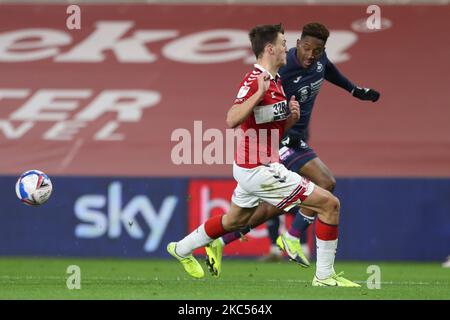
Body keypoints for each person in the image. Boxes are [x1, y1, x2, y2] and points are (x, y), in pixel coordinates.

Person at [167, 23, 360, 287]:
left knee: (234, 220)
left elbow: (266, 125)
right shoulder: (255, 81)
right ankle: (324, 275)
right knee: (329, 204)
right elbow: (231, 119)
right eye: (282, 44)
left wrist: (289, 118)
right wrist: (257, 93)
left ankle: (181, 248)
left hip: (252, 165)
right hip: (260, 168)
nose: (286, 48)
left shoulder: (276, 81)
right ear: (270, 49)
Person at [206, 22, 380, 270]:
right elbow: (248, 105)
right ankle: (292, 238)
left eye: (317, 51)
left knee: (269, 209)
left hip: (298, 140)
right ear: (297, 44)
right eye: (306, 48)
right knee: (326, 183)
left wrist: (355, 91)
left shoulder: (320, 61)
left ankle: (222, 241)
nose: (311, 55)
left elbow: (329, 70)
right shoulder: (283, 69)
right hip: (279, 141)